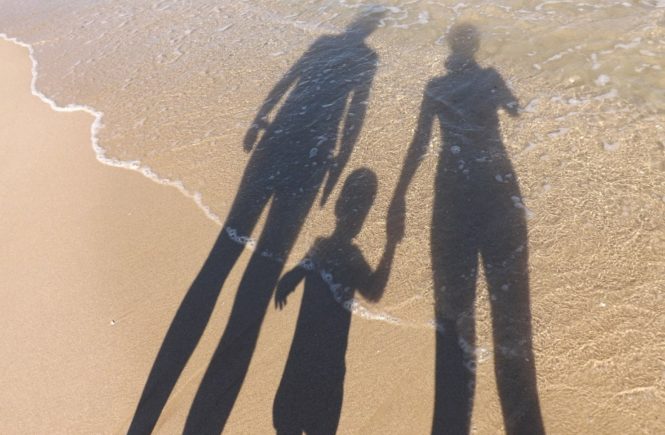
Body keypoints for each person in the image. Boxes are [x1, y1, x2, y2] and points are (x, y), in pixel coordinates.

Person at [128, 10, 384, 435]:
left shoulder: (324, 44)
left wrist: (260, 119)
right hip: (309, 159)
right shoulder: (367, 60)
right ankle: (223, 369)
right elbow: (354, 115)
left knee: (226, 249)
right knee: (264, 264)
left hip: (277, 140)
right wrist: (336, 167)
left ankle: (164, 394)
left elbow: (288, 82)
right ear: (374, 27)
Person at [388, 23, 545, 435]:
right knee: (509, 302)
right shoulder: (490, 78)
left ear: (450, 48)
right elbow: (516, 110)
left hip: (453, 190)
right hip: (496, 184)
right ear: (476, 47)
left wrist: (399, 195)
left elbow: (420, 143)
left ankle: (458, 381)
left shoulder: (435, 87)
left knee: (455, 302)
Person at [272, 168, 396, 435]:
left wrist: (287, 283)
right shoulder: (351, 259)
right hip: (328, 366)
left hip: (301, 360)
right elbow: (373, 292)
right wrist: (391, 245)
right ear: (363, 217)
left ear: (338, 206)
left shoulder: (320, 247)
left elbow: (294, 275)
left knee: (287, 425)